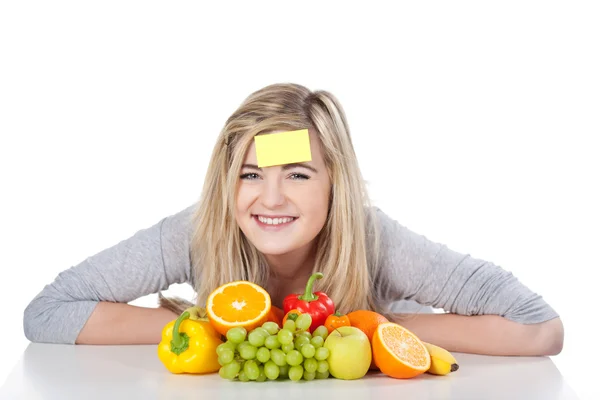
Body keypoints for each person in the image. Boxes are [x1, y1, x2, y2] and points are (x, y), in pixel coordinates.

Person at [23, 83, 563, 356]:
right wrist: (214, 329)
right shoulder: (198, 229)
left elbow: (540, 327)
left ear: (336, 184)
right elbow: (46, 315)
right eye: (251, 175)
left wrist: (366, 328)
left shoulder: (375, 239)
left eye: (299, 175)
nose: (271, 198)